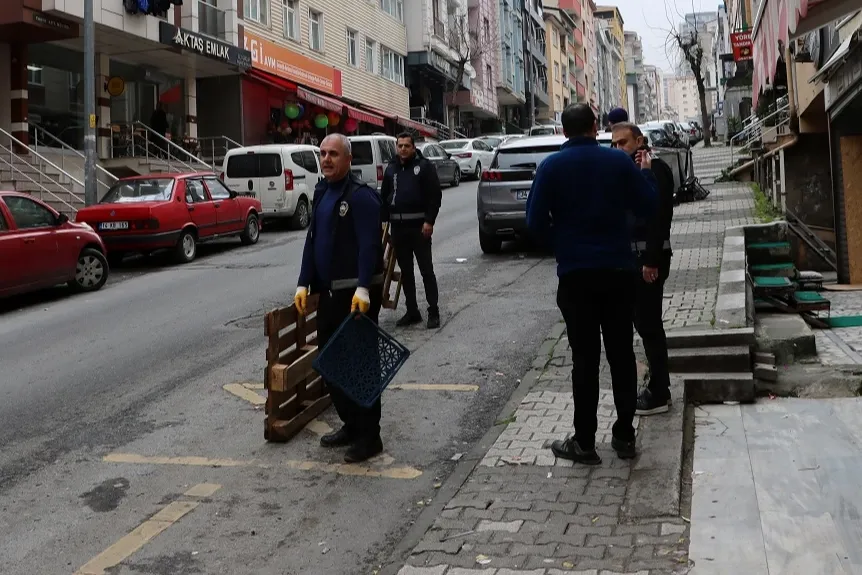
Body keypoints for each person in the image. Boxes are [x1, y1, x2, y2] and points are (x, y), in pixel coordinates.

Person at [525, 104, 657, 465]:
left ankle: (584, 442)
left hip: (576, 276)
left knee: (584, 359)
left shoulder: (551, 167)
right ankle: (625, 436)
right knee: (621, 355)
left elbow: (534, 223)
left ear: (563, 131)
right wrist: (646, 175)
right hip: (618, 271)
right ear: (595, 126)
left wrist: (562, 244)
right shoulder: (617, 162)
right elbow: (649, 206)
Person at [294, 133, 386, 463]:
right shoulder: (322, 192)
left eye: (333, 154)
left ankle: (370, 436)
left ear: (348, 159)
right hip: (329, 294)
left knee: (360, 366)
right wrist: (303, 283)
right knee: (331, 362)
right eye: (323, 153)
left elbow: (370, 245)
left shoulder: (361, 197)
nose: (326, 159)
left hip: (355, 297)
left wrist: (363, 287)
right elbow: (312, 240)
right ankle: (351, 424)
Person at [610, 122, 676, 416]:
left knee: (649, 325)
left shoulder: (654, 169)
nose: (617, 148)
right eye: (613, 144)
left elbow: (658, 218)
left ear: (639, 141)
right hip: (634, 259)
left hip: (649, 259)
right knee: (644, 323)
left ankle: (660, 392)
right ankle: (657, 385)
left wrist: (650, 260)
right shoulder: (629, 170)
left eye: (623, 143)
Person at [381, 132, 443, 329]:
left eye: (407, 146)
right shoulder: (391, 168)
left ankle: (433, 310)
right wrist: (383, 223)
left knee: (426, 270)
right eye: (400, 146)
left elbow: (435, 195)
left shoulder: (424, 167)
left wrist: (429, 221)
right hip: (398, 229)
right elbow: (384, 196)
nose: (403, 149)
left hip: (419, 228)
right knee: (406, 272)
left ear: (413, 148)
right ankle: (412, 311)